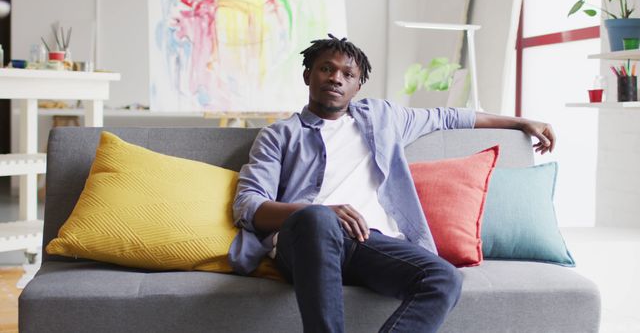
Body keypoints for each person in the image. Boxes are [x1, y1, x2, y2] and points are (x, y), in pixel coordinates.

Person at [229, 34, 555, 333]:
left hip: (371, 242)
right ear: (308, 76)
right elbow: (248, 206)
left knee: (443, 278)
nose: (335, 78)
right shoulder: (279, 135)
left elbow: (449, 117)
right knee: (318, 217)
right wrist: (321, 211)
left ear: (358, 86)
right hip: (305, 242)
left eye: (347, 74)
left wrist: (520, 121)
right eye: (325, 69)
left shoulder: (384, 118)